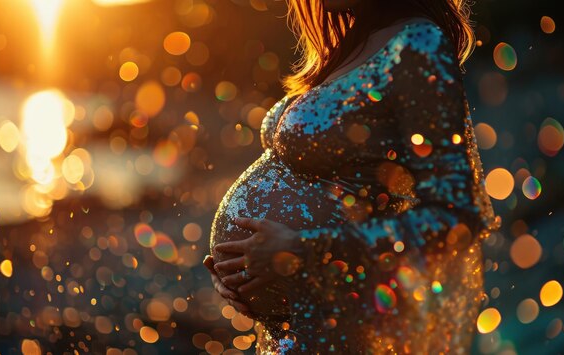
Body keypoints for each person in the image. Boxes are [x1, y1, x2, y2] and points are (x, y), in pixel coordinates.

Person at [204, 0, 501, 352]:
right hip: (289, 333)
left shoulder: (417, 42)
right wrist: (238, 274)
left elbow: (457, 216)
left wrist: (302, 251)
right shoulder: (343, 51)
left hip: (345, 328)